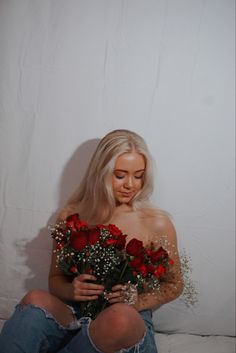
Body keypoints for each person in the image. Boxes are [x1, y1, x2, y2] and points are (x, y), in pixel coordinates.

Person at [0, 129, 183, 353]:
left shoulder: (157, 222)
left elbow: (174, 285)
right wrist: (71, 290)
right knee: (34, 298)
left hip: (124, 320)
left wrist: (137, 301)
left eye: (139, 175)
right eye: (120, 175)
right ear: (101, 172)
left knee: (120, 317)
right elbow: (55, 279)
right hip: (76, 313)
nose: (131, 185)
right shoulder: (71, 215)